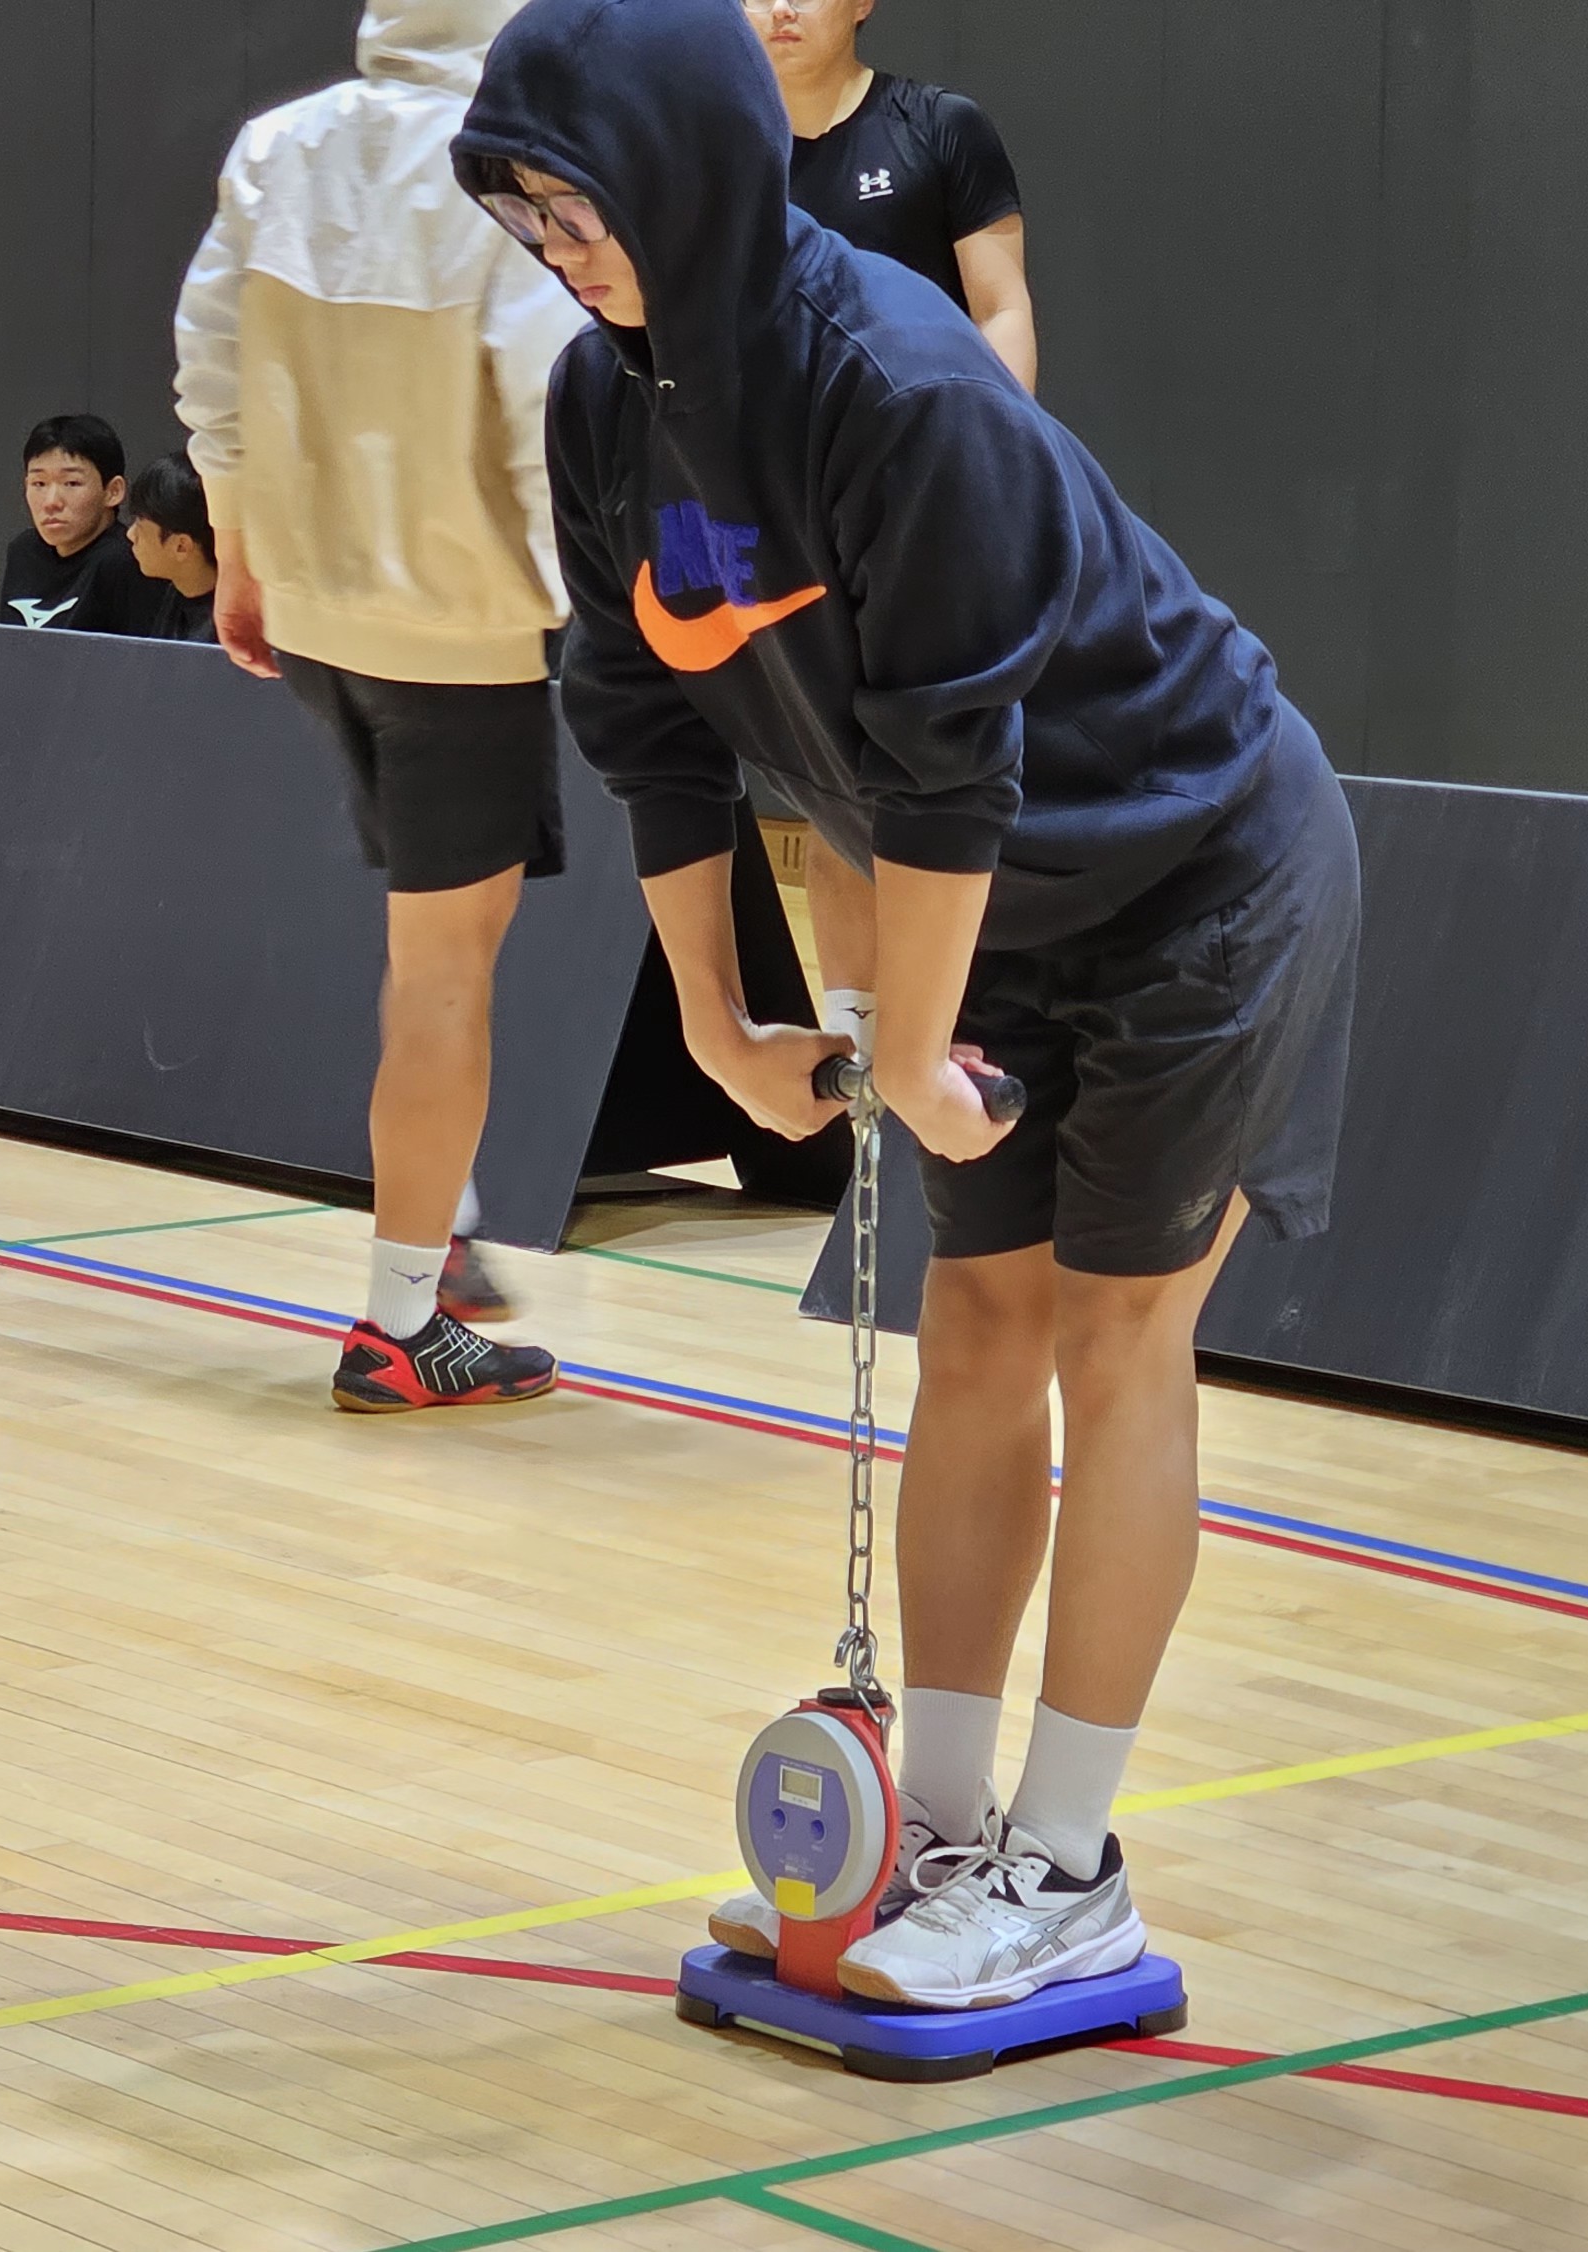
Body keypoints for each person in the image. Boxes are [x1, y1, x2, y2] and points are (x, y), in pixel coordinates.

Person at [455, 0, 1357, 2006]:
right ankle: (927, 1829)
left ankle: (1062, 1866)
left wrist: (914, 1040)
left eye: (572, 194)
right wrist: (711, 1014)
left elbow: (946, 770)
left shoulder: (899, 379)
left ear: (687, 158)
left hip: (1198, 858)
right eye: (516, 205)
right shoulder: (603, 406)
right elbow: (644, 721)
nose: (548, 238)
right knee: (972, 1319)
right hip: (1000, 894)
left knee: (1116, 1332)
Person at [176, 0, 579, 1412]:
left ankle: (441, 1221)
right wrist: (580, 597)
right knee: (447, 975)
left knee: (427, 960)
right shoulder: (518, 169)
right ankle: (405, 1322)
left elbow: (208, 361)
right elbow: (547, 406)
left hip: (318, 611)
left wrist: (239, 552)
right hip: (457, 630)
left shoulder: (279, 145)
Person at [745, 0, 1031, 391]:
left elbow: (1001, 311)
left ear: (861, 4)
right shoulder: (721, 157)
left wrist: (1002, 441)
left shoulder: (941, 126)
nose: (781, 9)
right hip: (785, 434)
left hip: (923, 424)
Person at [0, 414, 173, 634]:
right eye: (39, 483)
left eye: (71, 483)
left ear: (113, 491)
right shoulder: (23, 552)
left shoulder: (131, 561)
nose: (51, 502)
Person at [120, 449, 221, 642]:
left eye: (140, 524)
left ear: (181, 546)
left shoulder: (236, 626)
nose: (130, 534)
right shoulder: (173, 592)